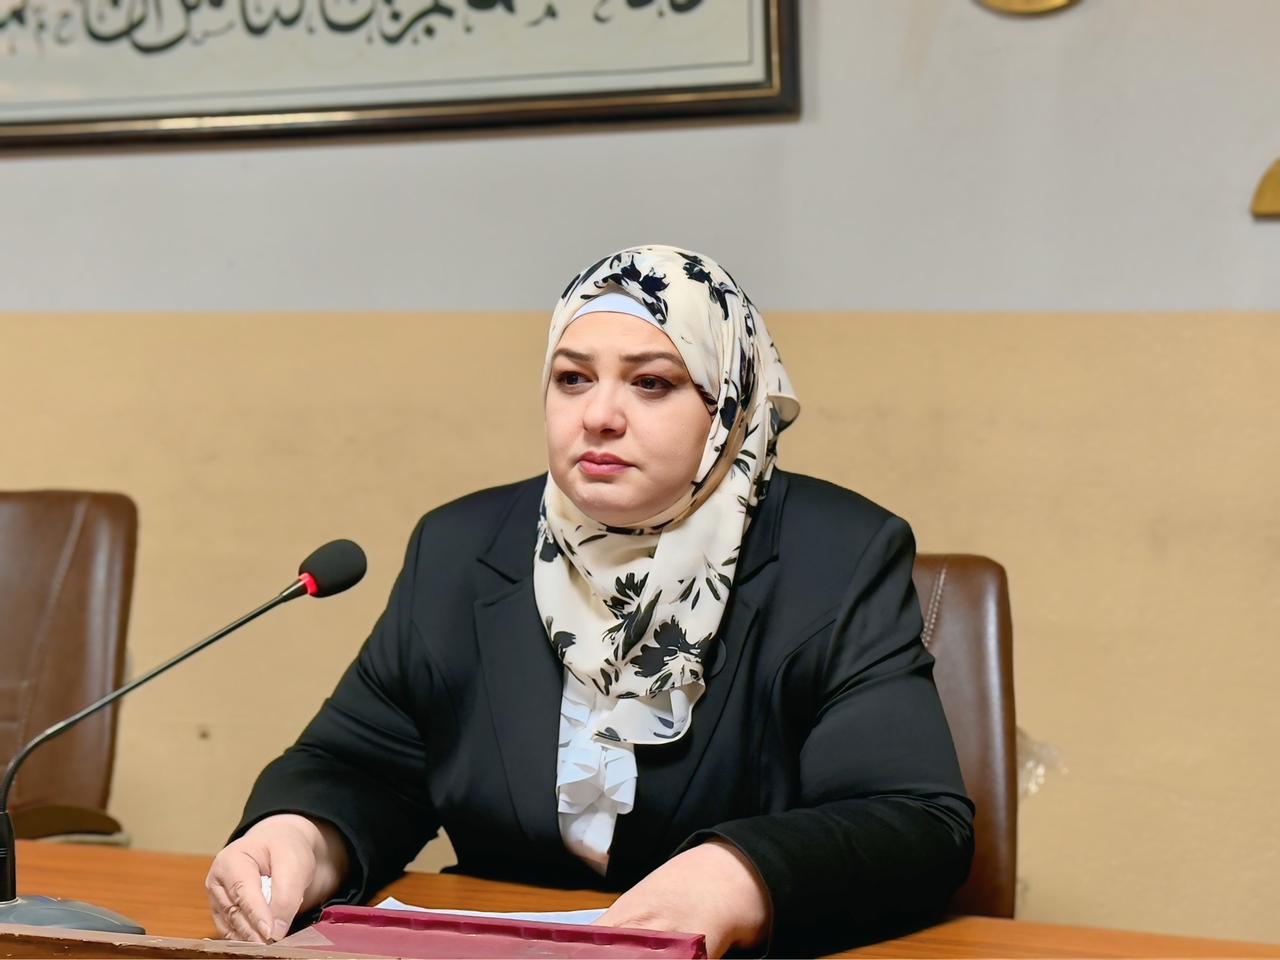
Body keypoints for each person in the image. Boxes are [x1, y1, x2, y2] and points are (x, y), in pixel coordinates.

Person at [205, 245, 974, 957]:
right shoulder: (461, 550)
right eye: (573, 378)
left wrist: (740, 878)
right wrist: (301, 837)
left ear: (730, 401)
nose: (599, 415)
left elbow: (913, 820)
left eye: (652, 383)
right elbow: (361, 767)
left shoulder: (835, 556)